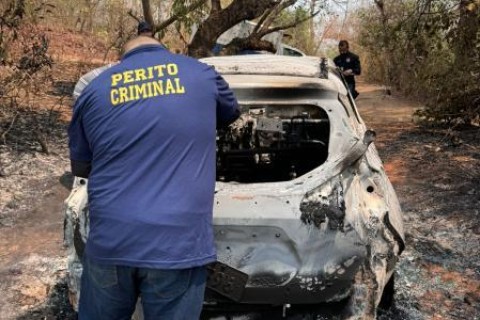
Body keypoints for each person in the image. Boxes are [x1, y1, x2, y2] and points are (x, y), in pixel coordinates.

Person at [68, 35, 240, 319]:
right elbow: (230, 114)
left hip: (112, 241)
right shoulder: (201, 74)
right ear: (163, 48)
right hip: (176, 244)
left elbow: (81, 167)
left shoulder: (94, 89)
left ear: (123, 57)